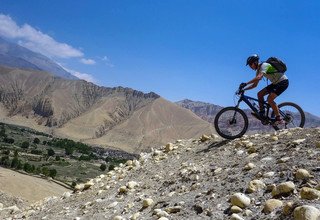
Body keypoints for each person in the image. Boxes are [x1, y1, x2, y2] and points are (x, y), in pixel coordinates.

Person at [242, 54, 289, 125]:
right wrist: (244, 89)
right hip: (275, 83)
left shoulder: (264, 65)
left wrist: (246, 83)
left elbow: (259, 77)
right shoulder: (258, 71)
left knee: (270, 99)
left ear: (255, 62)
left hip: (283, 82)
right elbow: (255, 85)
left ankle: (279, 119)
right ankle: (262, 113)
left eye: (250, 64)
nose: (250, 67)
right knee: (259, 94)